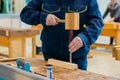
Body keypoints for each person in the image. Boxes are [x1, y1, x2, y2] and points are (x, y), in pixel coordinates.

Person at [20, 0, 103, 70]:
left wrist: (84, 38)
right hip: (51, 57)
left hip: (76, 57)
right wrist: (43, 17)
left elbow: (97, 22)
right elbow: (25, 14)